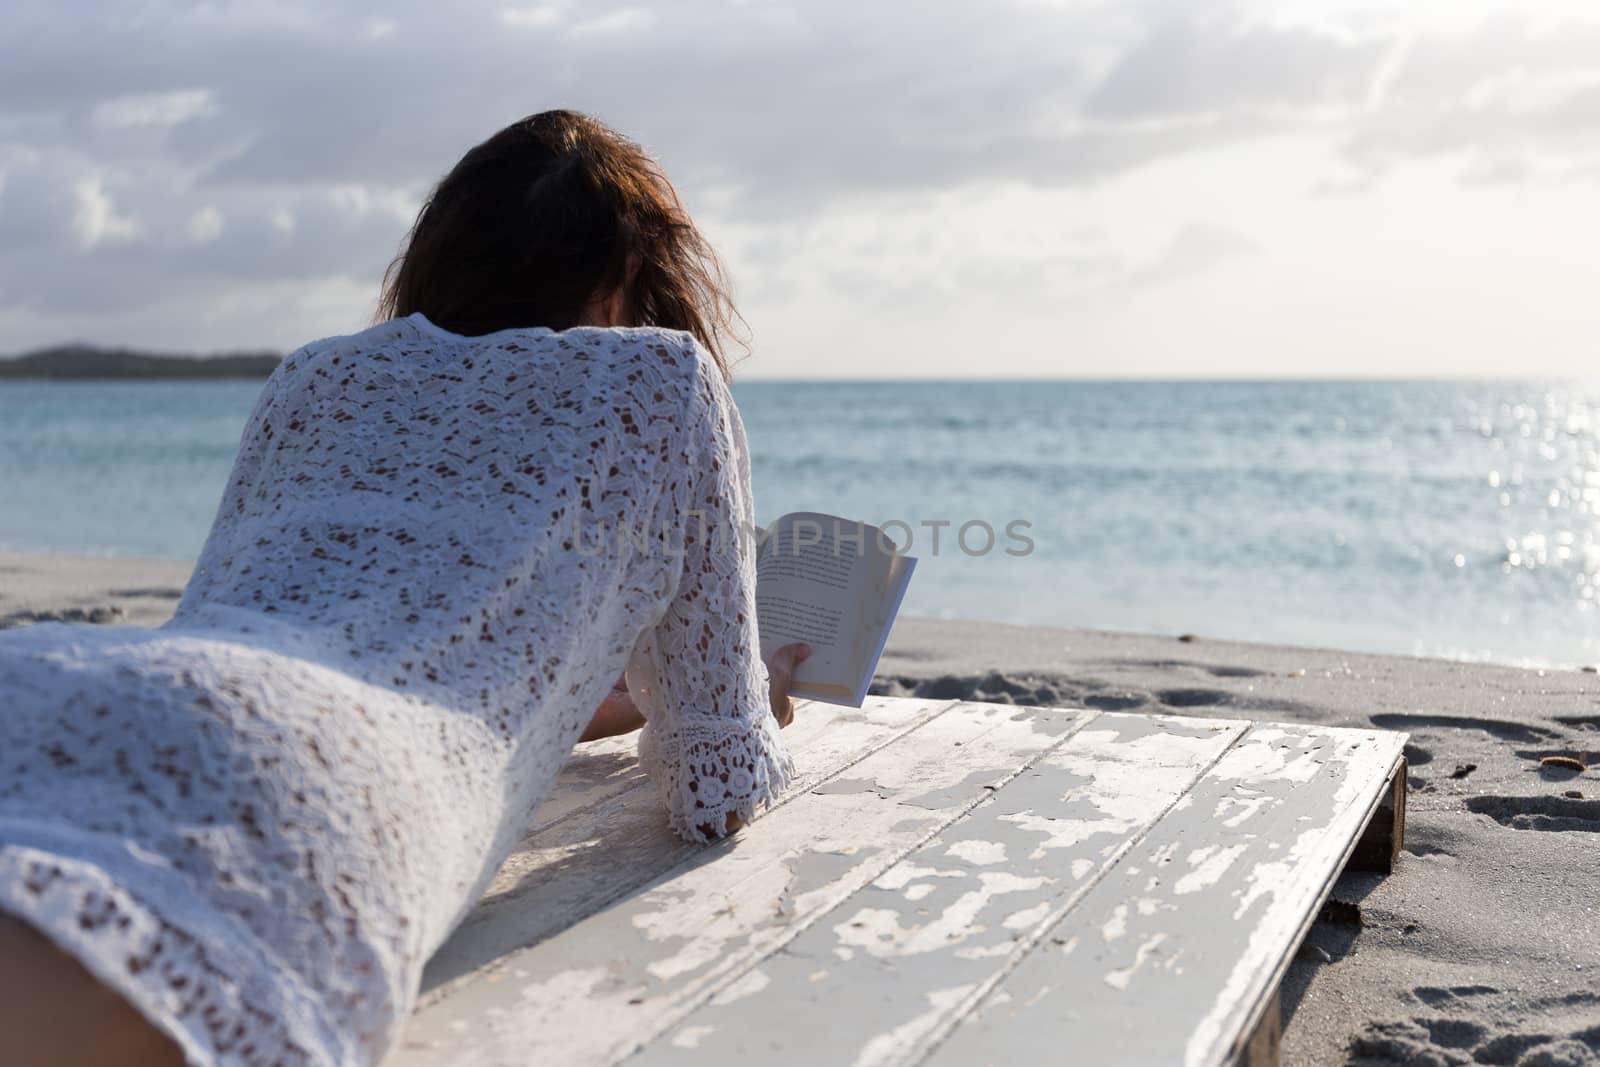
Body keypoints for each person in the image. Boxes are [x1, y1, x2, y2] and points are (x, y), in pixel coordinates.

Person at [0, 109, 810, 1067]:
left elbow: (266, 629)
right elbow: (712, 792)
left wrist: (558, 709)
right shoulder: (660, 379)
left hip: (70, 678)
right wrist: (754, 697)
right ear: (616, 285)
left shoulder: (314, 375)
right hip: (301, 779)